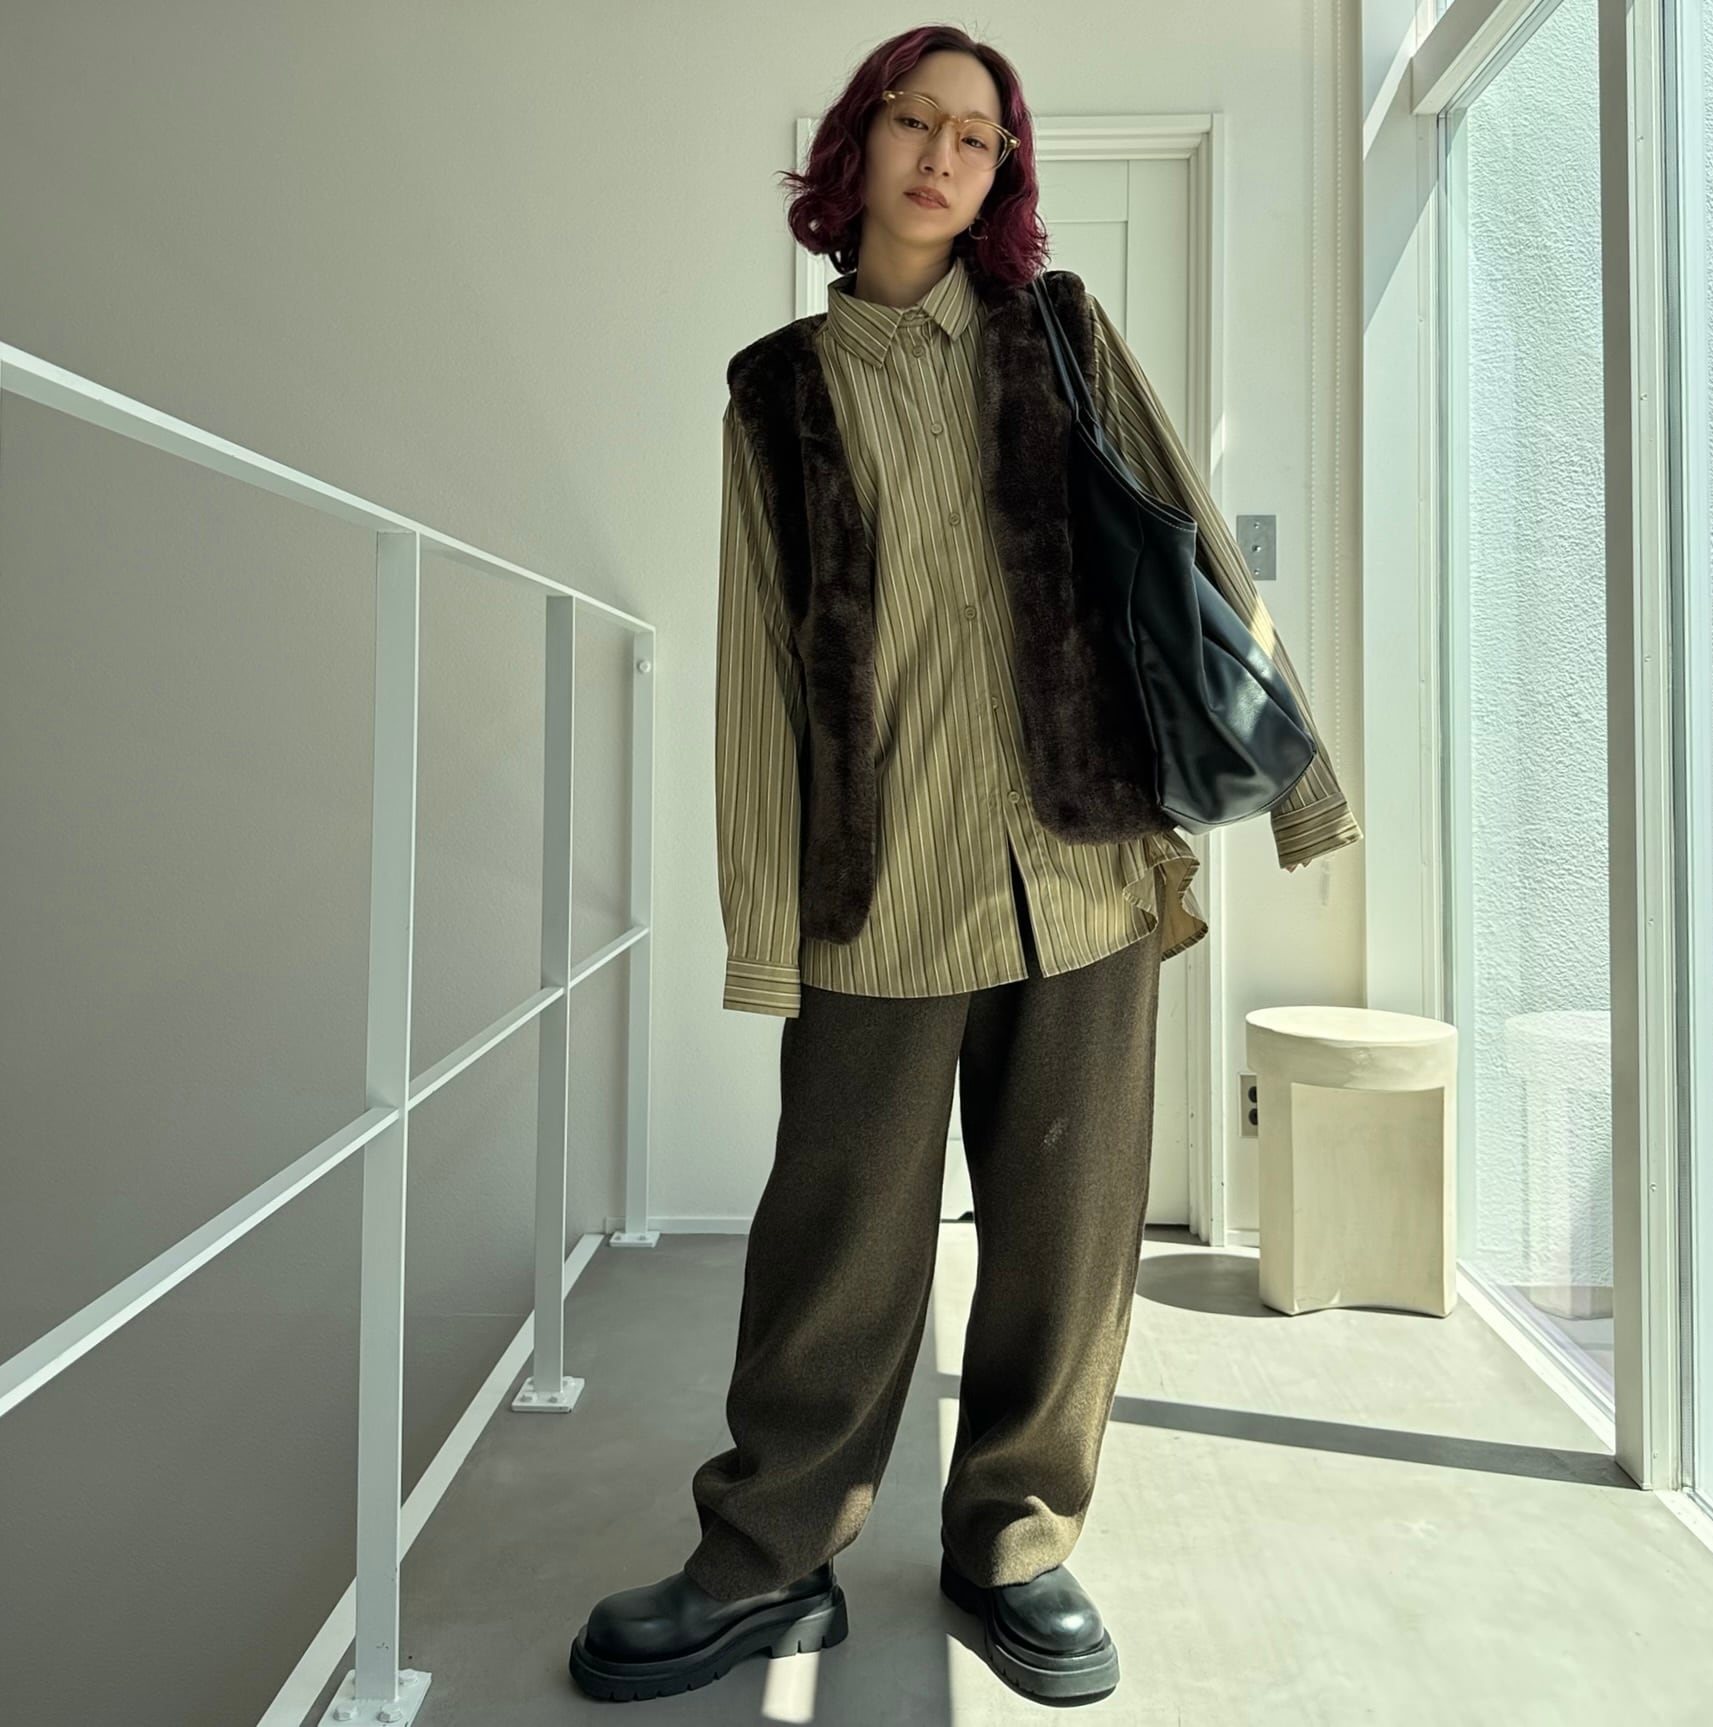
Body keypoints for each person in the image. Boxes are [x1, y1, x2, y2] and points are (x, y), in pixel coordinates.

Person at [569, 23, 1362, 1709]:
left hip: (1085, 872)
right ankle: (768, 1557)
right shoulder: (775, 395)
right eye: (914, 122)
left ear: (1003, 175)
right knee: (834, 1242)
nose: (942, 156)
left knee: (1067, 1238)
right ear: (856, 146)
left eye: (978, 139)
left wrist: (1302, 785)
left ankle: (1015, 1540)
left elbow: (1195, 549)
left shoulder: (1058, 334)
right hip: (883, 890)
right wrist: (767, 929)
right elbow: (757, 677)